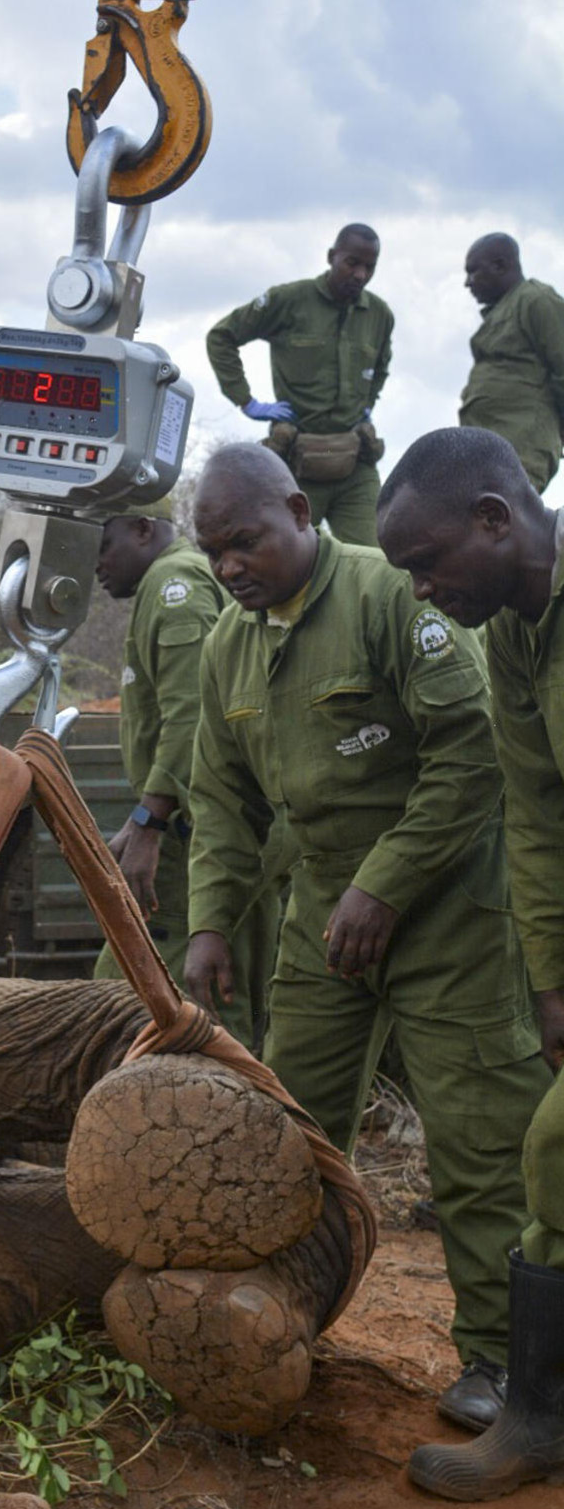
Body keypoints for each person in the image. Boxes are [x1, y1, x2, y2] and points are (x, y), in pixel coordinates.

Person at [183, 443, 549, 1431]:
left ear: (299, 511)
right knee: (286, 1128)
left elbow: (469, 759)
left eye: (244, 540)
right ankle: (276, 1316)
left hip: (449, 911)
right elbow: (219, 802)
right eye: (211, 550)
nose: (228, 566)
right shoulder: (229, 645)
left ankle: (501, 1366)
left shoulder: (392, 596)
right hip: (319, 923)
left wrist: (382, 884)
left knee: (481, 1139)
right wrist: (211, 920)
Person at [376, 426, 564, 1509]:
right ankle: (538, 1417)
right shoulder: (512, 642)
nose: (422, 588)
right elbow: (535, 822)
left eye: (427, 558)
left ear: (496, 520)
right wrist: (548, 980)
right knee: (547, 1159)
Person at [92, 494, 279, 1047]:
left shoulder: (177, 589)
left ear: (143, 529)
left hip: (200, 837)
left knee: (201, 998)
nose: (95, 565)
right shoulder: (160, 588)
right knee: (135, 991)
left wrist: (150, 822)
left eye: (104, 546)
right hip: (183, 829)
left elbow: (192, 713)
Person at [205, 224, 393, 549]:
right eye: (352, 263)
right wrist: (246, 401)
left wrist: (368, 402)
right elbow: (222, 337)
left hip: (354, 461)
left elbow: (381, 367)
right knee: (276, 557)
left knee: (382, 560)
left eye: (370, 267)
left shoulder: (379, 314)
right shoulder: (288, 300)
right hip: (296, 462)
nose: (360, 274)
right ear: (332, 257)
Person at [458, 233, 564, 494]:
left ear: (500, 265)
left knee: (506, 516)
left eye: (474, 272)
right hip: (490, 445)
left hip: (522, 443)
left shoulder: (536, 300)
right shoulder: (504, 308)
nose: (467, 283)